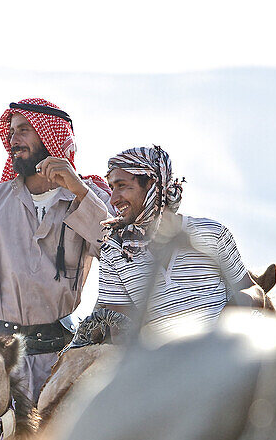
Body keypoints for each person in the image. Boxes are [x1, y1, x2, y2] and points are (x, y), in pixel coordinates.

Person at [0, 98, 111, 399]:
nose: (13, 138)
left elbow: (116, 251)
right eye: (11, 130)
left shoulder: (87, 197)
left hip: (59, 363)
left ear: (50, 136)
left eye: (23, 130)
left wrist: (79, 190)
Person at [74, 144, 265, 345]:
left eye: (121, 186)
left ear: (151, 184)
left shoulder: (212, 233)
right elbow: (119, 328)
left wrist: (230, 319)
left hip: (223, 358)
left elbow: (252, 290)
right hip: (164, 367)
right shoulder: (114, 251)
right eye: (111, 188)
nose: (113, 199)